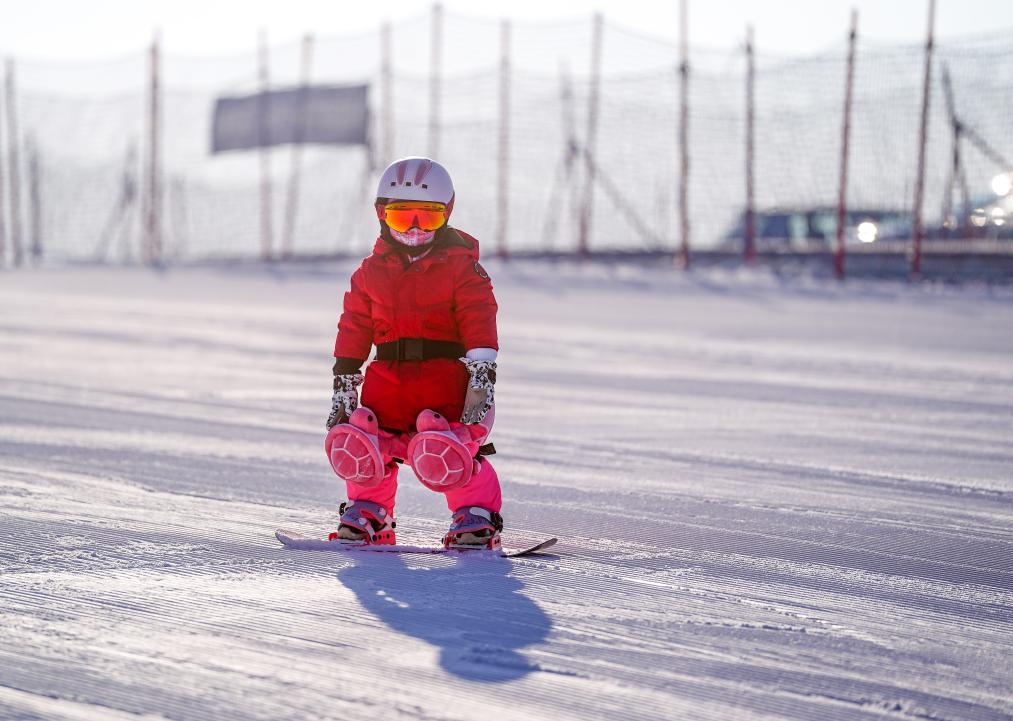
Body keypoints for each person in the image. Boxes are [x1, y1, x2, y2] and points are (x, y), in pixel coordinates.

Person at [324, 157, 503, 550]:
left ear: (447, 215)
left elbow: (479, 315)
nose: (416, 229)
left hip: (443, 383)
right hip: (385, 381)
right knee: (366, 443)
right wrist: (345, 378)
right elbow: (354, 325)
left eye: (429, 218)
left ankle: (475, 514)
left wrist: (482, 372)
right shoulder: (370, 272)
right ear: (381, 215)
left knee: (447, 448)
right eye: (403, 218)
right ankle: (369, 511)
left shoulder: (461, 268)